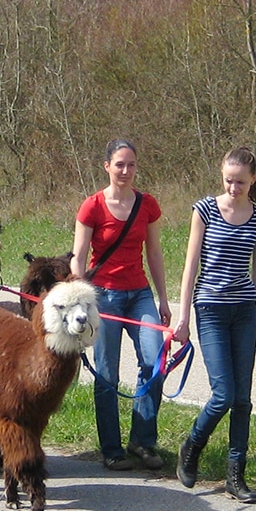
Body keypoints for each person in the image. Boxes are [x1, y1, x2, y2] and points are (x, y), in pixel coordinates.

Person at [171, 146, 256, 503]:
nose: (234, 188)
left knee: (243, 399)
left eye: (241, 183)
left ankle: (237, 475)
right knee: (223, 395)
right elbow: (190, 268)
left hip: (243, 310)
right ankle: (192, 446)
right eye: (229, 181)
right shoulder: (204, 210)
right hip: (211, 309)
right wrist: (183, 317)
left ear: (253, 180)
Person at [73, 139, 172, 471]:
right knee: (107, 374)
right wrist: (82, 299)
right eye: (119, 164)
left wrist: (163, 299)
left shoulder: (148, 205)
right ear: (107, 166)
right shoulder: (92, 206)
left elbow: (155, 254)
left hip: (139, 294)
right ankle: (112, 449)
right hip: (104, 297)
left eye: (131, 165)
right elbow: (79, 257)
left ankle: (142, 441)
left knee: (155, 363)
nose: (125, 171)